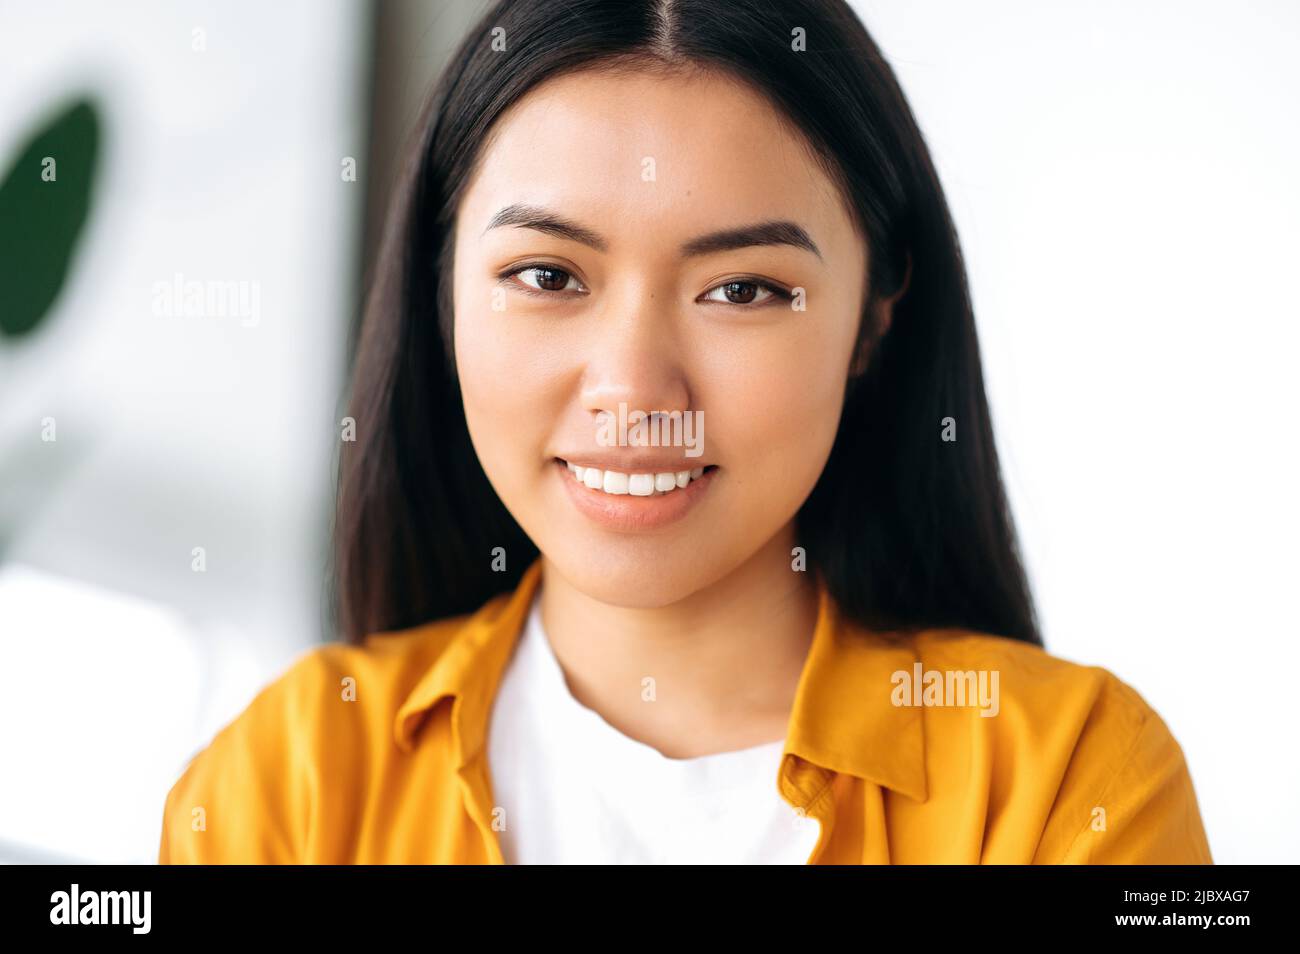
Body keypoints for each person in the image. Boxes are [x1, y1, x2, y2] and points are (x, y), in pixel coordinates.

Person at [158, 0, 1212, 864]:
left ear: (873, 317)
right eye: (547, 276)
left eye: (744, 289)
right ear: (442, 294)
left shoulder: (1069, 786)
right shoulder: (287, 787)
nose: (631, 388)